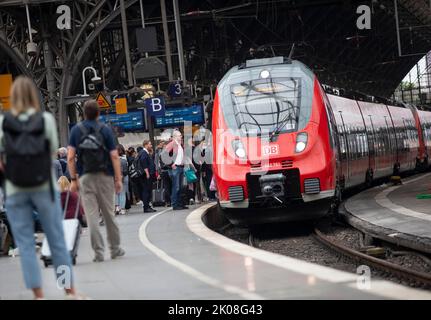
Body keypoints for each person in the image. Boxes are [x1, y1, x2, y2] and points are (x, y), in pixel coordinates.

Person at [0, 76, 81, 299]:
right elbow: (53, 152)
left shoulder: (3, 123)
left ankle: (38, 294)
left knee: (25, 244)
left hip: (15, 190)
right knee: (56, 239)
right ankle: (68, 290)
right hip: (44, 187)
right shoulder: (44, 120)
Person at [68, 99, 125, 263]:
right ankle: (115, 249)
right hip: (105, 176)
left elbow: (70, 157)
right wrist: (118, 178)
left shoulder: (76, 131)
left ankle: (99, 253)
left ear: (83, 114)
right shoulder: (105, 130)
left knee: (92, 217)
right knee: (109, 214)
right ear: (98, 113)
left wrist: (73, 179)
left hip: (85, 177)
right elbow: (114, 156)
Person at [163, 130, 188, 210]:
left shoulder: (179, 145)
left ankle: (180, 203)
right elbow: (164, 154)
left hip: (180, 167)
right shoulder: (172, 144)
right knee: (176, 187)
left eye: (181, 135)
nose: (181, 137)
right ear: (175, 137)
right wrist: (171, 164)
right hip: (175, 168)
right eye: (179, 135)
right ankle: (175, 204)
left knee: (180, 187)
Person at [139, 140, 156, 213]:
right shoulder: (143, 153)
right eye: (150, 144)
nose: (151, 145)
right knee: (146, 190)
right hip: (146, 175)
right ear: (146, 145)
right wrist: (147, 173)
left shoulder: (146, 152)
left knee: (148, 190)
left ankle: (147, 206)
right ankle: (146, 207)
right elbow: (144, 162)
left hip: (148, 174)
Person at [115, 144, 128, 215]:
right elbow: (126, 170)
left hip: (115, 177)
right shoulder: (125, 159)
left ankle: (117, 207)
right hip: (124, 177)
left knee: (116, 193)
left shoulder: (112, 159)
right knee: (122, 193)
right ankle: (122, 209)